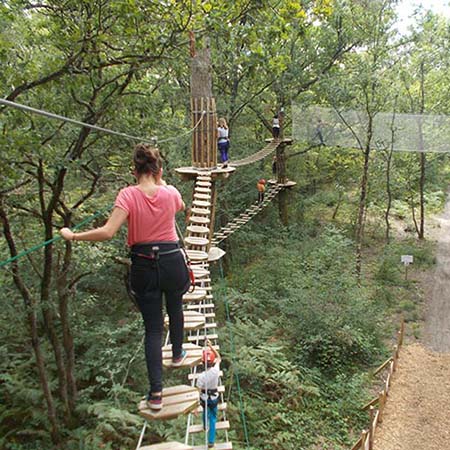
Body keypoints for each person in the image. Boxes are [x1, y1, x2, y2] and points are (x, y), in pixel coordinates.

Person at [60, 144, 190, 411]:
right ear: (158, 170)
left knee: (153, 329)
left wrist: (73, 236)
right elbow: (181, 205)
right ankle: (177, 354)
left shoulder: (127, 195)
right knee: (175, 306)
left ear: (134, 171)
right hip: (172, 260)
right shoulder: (170, 193)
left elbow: (108, 232)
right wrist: (161, 181)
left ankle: (156, 394)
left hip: (144, 264)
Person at [197, 341, 221, 449]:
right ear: (213, 362)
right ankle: (211, 441)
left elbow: (198, 391)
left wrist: (196, 405)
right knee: (213, 418)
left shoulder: (201, 377)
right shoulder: (216, 370)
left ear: (202, 363)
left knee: (205, 410)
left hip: (204, 398)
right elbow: (219, 357)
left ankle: (204, 425)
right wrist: (211, 346)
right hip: (214, 397)